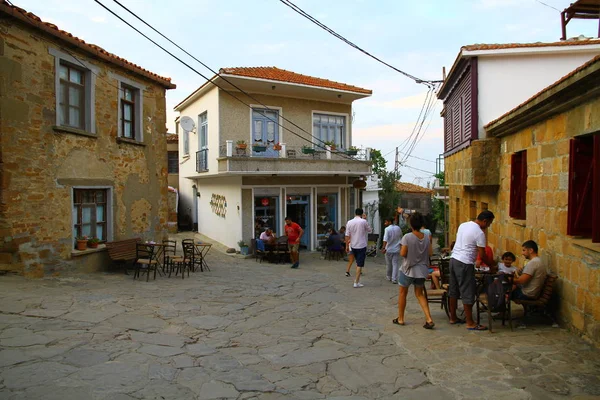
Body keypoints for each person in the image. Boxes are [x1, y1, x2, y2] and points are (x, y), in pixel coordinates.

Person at [449, 210, 496, 331]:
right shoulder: (479, 233)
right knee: (467, 291)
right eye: (489, 223)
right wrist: (491, 265)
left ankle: (453, 317)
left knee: (453, 290)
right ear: (485, 221)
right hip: (465, 262)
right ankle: (470, 322)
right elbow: (483, 254)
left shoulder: (463, 225)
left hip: (453, 259)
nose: (488, 226)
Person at [393, 212, 435, 329]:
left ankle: (400, 318)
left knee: (403, 293)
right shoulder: (426, 237)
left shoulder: (407, 237)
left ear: (411, 224)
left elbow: (402, 253)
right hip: (421, 270)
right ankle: (429, 318)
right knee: (419, 294)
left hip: (408, 269)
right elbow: (430, 253)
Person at [345, 208, 372, 288]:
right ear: (362, 214)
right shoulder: (363, 222)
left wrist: (347, 245)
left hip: (353, 245)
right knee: (360, 264)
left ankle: (358, 280)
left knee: (357, 262)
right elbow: (370, 230)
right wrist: (365, 219)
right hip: (361, 245)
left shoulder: (349, 222)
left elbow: (347, 235)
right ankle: (356, 282)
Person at [382, 216, 403, 284]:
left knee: (389, 264)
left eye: (386, 222)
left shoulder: (387, 229)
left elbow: (385, 239)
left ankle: (389, 276)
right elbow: (401, 238)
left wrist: (383, 248)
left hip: (389, 249)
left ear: (389, 222)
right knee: (395, 264)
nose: (385, 223)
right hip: (396, 249)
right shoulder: (398, 228)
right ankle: (394, 278)